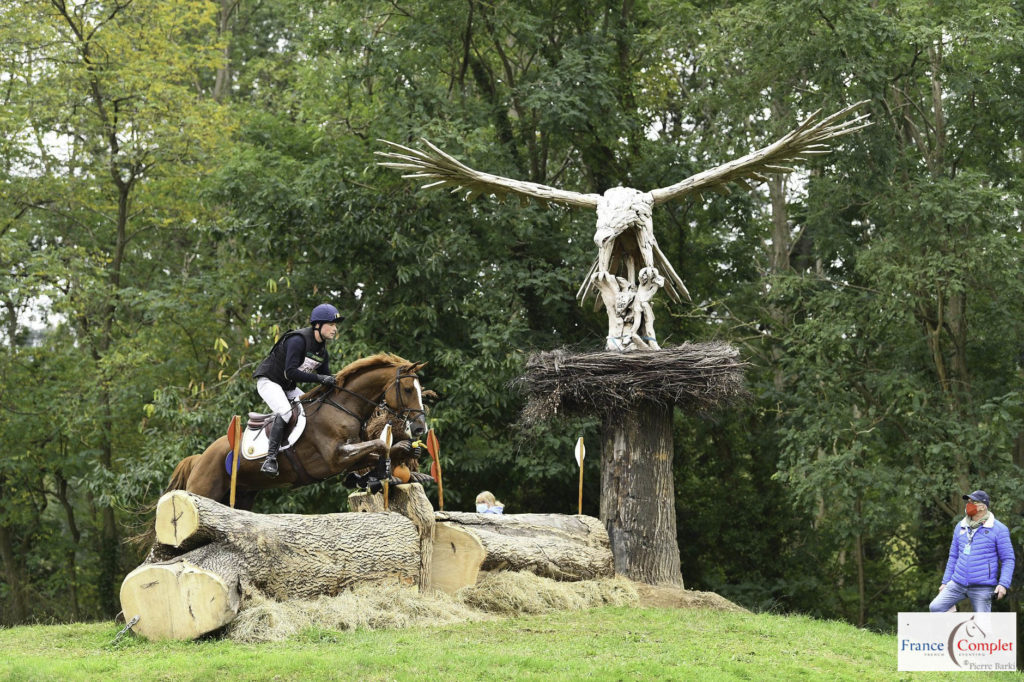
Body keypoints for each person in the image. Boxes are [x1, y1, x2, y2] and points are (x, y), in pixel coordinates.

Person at [252, 303, 342, 476]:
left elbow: (326, 380)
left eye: (335, 325)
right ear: (318, 325)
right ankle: (270, 459)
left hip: (288, 387)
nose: (334, 329)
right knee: (285, 412)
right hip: (269, 381)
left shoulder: (322, 351)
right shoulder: (298, 340)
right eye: (331, 324)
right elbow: (290, 372)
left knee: (312, 410)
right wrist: (320, 378)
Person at [928, 490, 1014, 613]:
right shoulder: (960, 526)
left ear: (983, 507)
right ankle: (956, 629)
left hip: (983, 586)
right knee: (936, 607)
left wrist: (1003, 584)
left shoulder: (999, 529)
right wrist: (945, 582)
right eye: (968, 502)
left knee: (982, 626)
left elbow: (1008, 559)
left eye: (973, 502)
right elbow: (953, 556)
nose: (969, 504)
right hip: (957, 583)